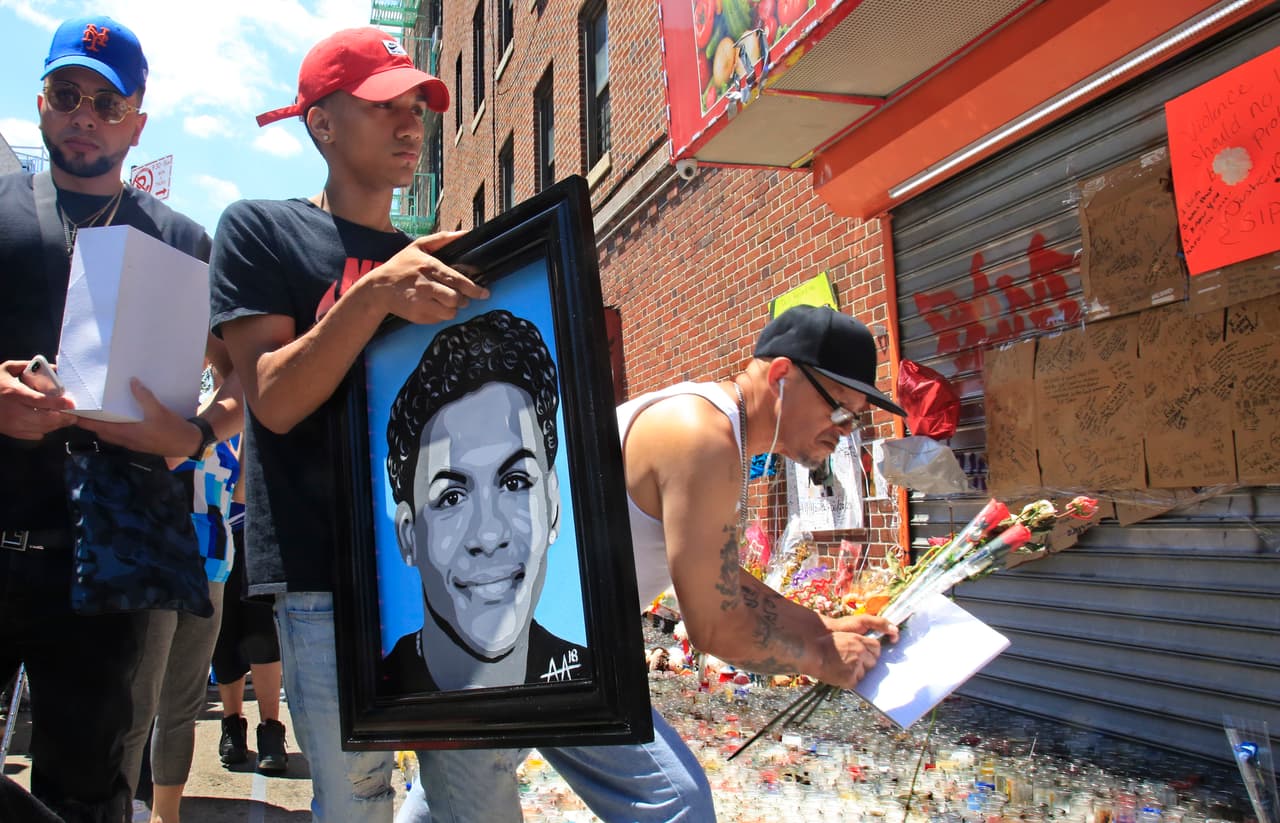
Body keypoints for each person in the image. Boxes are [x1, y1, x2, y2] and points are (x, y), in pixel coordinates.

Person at [402, 304, 905, 821]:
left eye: (855, 420)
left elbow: (720, 576)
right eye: (840, 409)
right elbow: (714, 626)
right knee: (674, 806)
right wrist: (821, 659)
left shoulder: (709, 423)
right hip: (525, 649)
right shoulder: (701, 438)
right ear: (782, 375)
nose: (844, 430)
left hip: (539, 642)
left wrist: (822, 628)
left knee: (449, 796)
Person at [208, 26, 488, 821]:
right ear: (322, 124)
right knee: (356, 800)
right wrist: (373, 295)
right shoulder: (260, 230)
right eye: (383, 107)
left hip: (441, 575)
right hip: (325, 580)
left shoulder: (429, 260)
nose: (410, 125)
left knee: (479, 791)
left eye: (416, 107)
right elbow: (272, 398)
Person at [0, 15, 241, 821]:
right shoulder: (2, 210)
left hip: (107, 572)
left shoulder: (177, 241)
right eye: (68, 95)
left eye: (108, 103)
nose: (85, 115)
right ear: (40, 103)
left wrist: (197, 433)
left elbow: (246, 377)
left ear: (138, 120)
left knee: (90, 792)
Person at [380, 309, 588, 693]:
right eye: (452, 497)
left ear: (553, 505)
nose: (489, 535)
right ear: (408, 535)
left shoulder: (587, 679)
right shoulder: (380, 693)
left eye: (514, 482)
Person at [120, 367, 247, 823]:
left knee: (183, 704)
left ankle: (165, 816)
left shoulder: (235, 413)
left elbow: (241, 493)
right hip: (155, 560)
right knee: (139, 701)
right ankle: (123, 806)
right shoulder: (164, 392)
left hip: (212, 564)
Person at [211, 461, 288, 774]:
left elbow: (244, 486)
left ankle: (271, 728)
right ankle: (232, 724)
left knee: (262, 633)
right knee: (222, 633)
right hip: (211, 529)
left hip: (252, 530)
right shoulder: (201, 410)